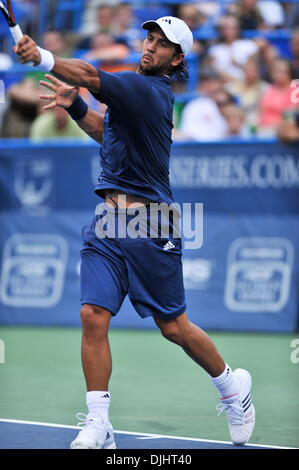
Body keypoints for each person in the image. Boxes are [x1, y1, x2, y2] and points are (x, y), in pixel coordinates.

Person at [13, 16, 256, 450]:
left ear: (176, 58)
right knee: (92, 315)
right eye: (149, 38)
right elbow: (105, 133)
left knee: (174, 327)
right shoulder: (133, 98)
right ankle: (99, 421)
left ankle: (231, 386)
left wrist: (43, 57)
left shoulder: (149, 91)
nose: (150, 47)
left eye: (162, 45)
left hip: (152, 223)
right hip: (107, 221)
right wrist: (74, 106)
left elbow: (89, 74)